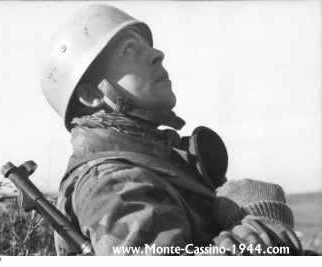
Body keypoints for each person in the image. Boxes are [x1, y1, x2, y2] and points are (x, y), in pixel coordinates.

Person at [41, 4, 303, 256]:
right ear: (91, 95)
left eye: (145, 45)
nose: (157, 54)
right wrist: (263, 225)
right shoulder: (111, 184)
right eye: (130, 49)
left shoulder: (151, 163)